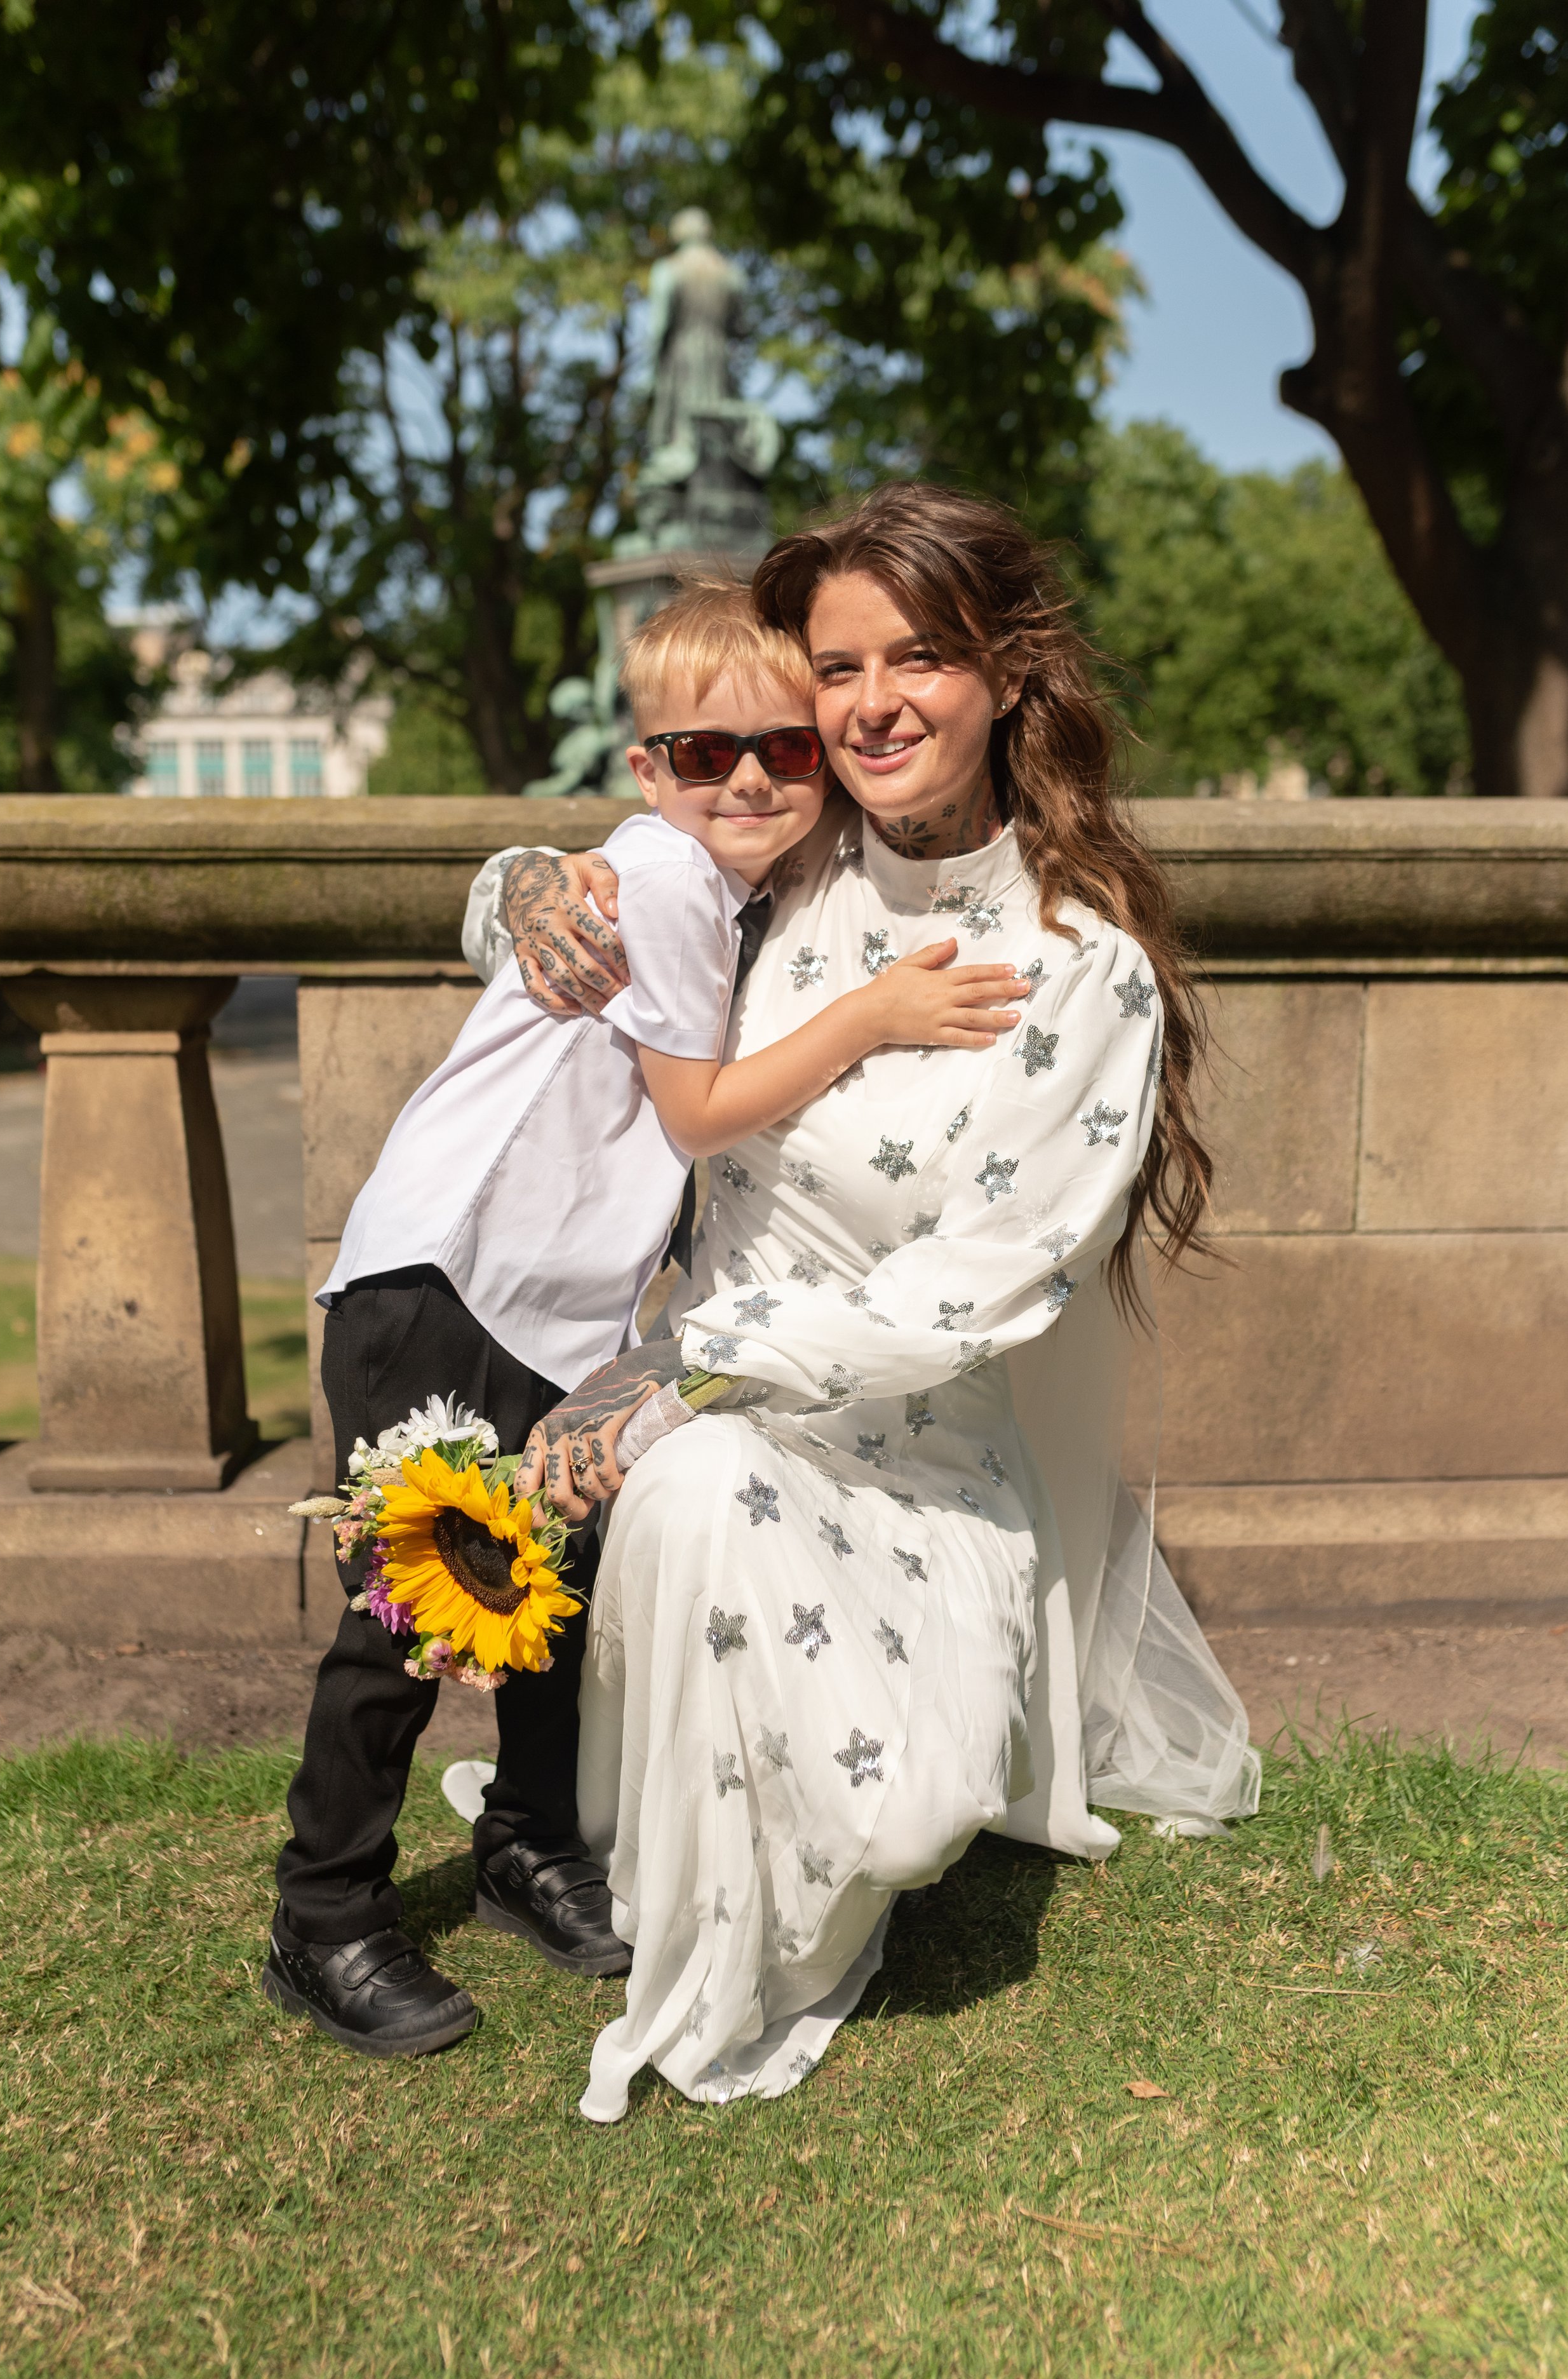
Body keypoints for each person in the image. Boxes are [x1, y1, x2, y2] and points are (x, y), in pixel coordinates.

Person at [475, 483, 1260, 2120]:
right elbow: (602, 887)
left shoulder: (1078, 968)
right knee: (693, 1486)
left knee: (904, 1825)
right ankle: (690, 1933)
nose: (870, 703)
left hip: (915, 1453)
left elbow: (968, 1294)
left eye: (919, 657)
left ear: (1005, 675)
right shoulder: (784, 862)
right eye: (836, 668)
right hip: (700, 1432)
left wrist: (682, 1371)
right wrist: (517, 886)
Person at [264, 579, 1028, 2059]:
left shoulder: (737, 893)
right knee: (411, 1612)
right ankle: (325, 1912)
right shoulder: (666, 883)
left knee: (558, 1572)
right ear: (644, 772)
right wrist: (868, 1019)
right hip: (442, 1286)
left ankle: (530, 1843)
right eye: (699, 754)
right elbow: (693, 1111)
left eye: (782, 752)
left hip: (547, 1316)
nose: (744, 778)